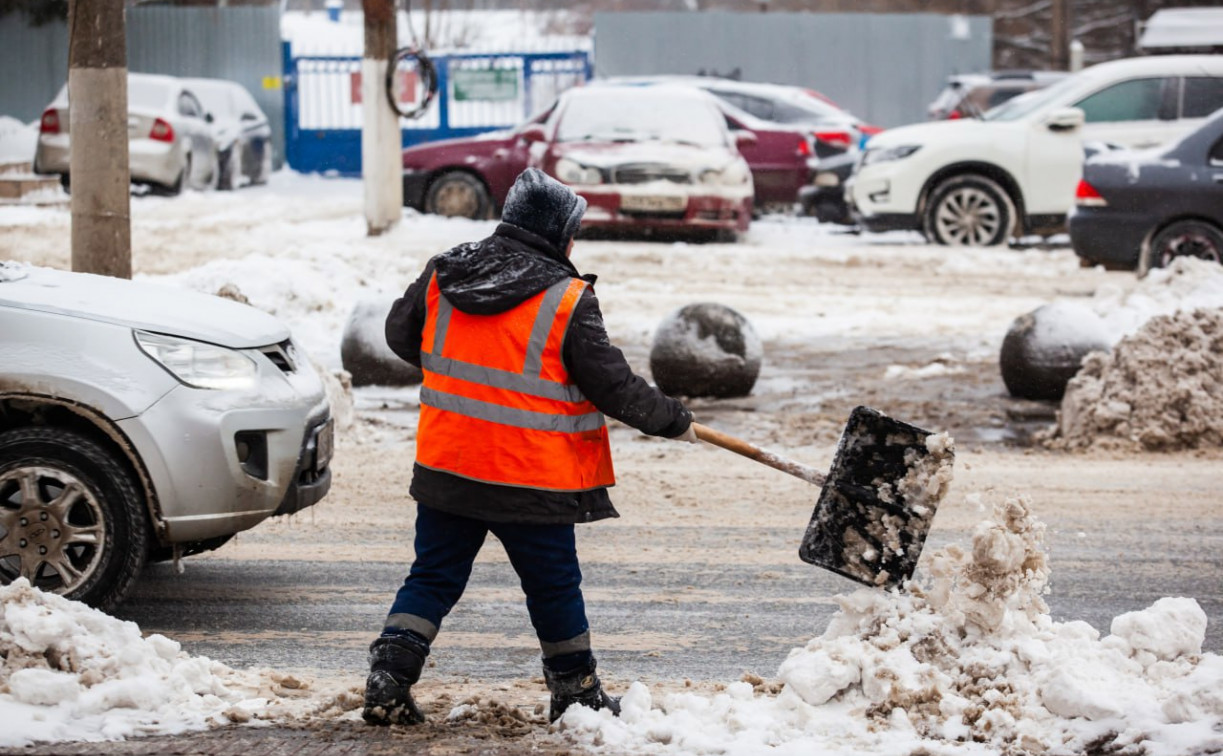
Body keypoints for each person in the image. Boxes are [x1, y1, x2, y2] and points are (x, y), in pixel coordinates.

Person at [363, 167, 697, 727]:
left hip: (451, 465)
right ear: (553, 231)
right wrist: (672, 420)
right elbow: (612, 385)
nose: (574, 243)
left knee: (433, 575)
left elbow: (402, 334)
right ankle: (576, 692)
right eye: (573, 231)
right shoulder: (566, 299)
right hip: (530, 478)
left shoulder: (446, 272)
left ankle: (389, 675)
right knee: (553, 585)